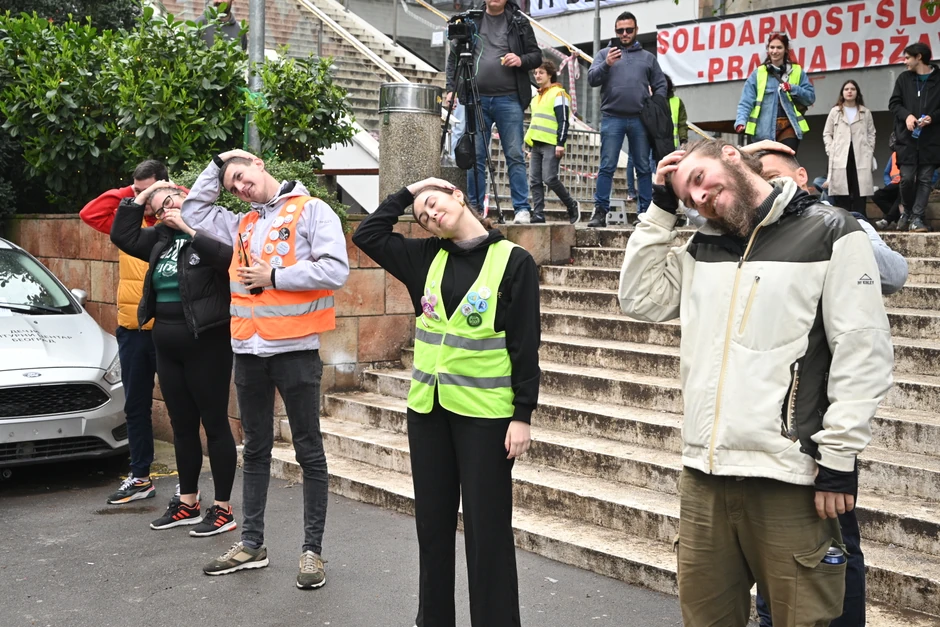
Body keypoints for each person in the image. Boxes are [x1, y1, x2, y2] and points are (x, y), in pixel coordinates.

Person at [620, 139, 894, 627]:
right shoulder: (701, 245)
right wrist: (660, 210)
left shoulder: (830, 230)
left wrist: (838, 459)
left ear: (730, 155)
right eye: (687, 197)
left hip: (790, 476)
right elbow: (640, 299)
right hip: (704, 475)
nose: (699, 198)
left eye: (699, 179)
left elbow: (863, 350)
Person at [352, 177, 539, 627]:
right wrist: (410, 191)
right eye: (423, 217)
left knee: (487, 533)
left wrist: (523, 415)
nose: (430, 215)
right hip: (428, 414)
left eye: (433, 203)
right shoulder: (425, 258)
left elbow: (524, 343)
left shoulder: (513, 261)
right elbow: (367, 235)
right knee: (432, 530)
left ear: (457, 195)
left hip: (486, 419)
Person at [182, 150, 349, 588]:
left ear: (258, 164)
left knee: (308, 450)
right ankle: (252, 544)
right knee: (254, 449)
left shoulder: (312, 210)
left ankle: (312, 553)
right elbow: (193, 212)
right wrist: (218, 164)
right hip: (248, 350)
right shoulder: (243, 222)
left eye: (241, 176)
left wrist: (274, 277)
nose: (240, 188)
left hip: (295, 351)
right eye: (232, 186)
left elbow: (335, 269)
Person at [110, 182, 238, 537]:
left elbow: (228, 260)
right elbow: (122, 235)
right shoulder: (160, 239)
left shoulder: (211, 230)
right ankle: (188, 502)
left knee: (214, 423)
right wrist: (142, 197)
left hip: (207, 342)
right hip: (166, 344)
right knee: (182, 425)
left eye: (169, 200)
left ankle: (223, 509)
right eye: (157, 209)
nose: (164, 210)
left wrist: (187, 226)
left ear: (186, 195)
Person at [79, 160, 166, 505]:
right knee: (135, 406)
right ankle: (141, 477)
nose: (143, 198)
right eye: (137, 190)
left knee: (183, 407)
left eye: (149, 190)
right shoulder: (126, 222)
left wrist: (164, 193)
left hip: (171, 329)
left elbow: (193, 198)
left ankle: (188, 484)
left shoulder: (176, 219)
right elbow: (89, 213)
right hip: (133, 329)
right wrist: (133, 193)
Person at [752, 142, 908, 295]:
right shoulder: (756, 233)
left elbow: (894, 276)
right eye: (758, 183)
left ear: (801, 176)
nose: (767, 187)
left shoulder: (847, 222)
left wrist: (834, 230)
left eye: (773, 177)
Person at [444, 0, 541, 224]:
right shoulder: (471, 19)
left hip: (510, 98)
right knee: (476, 155)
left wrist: (520, 59)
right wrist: (451, 88)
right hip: (476, 98)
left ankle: (521, 208)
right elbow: (454, 57)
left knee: (514, 154)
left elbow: (536, 56)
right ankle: (475, 209)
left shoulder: (518, 21)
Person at [587, 11, 666, 227]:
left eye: (628, 30)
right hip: (612, 117)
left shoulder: (648, 58)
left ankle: (645, 213)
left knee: (643, 167)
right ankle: (600, 212)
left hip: (640, 119)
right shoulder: (605, 54)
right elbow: (592, 79)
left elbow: (661, 84)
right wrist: (607, 64)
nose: (624, 34)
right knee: (607, 166)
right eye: (620, 30)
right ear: (615, 31)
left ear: (636, 30)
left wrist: (654, 105)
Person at [889, 41, 940, 233]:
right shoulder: (903, 79)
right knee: (907, 179)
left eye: (907, 58)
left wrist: (933, 118)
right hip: (907, 139)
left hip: (931, 139)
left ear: (919, 57)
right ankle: (908, 212)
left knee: (925, 179)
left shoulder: (938, 79)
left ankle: (917, 218)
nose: (905, 62)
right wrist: (907, 116)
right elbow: (894, 104)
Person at [735, 33, 815, 152]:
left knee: (786, 159)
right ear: (768, 49)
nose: (775, 51)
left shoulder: (797, 71)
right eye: (772, 47)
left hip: (789, 127)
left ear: (786, 50)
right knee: (765, 163)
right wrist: (741, 121)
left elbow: (810, 98)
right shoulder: (758, 73)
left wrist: (793, 88)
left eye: (779, 47)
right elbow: (746, 101)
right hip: (763, 131)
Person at [524, 60, 580, 225]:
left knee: (549, 178)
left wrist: (560, 143)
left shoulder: (558, 94)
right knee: (534, 180)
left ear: (550, 75)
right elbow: (536, 123)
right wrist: (530, 147)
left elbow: (564, 120)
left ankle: (571, 204)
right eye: (535, 73)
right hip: (536, 144)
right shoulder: (536, 97)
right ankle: (538, 214)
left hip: (551, 143)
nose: (537, 76)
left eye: (541, 72)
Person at [823, 80, 876, 217]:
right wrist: (831, 149)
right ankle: (844, 222)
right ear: (842, 93)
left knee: (860, 191)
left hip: (861, 154)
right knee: (842, 192)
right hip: (841, 154)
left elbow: (871, 133)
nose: (849, 91)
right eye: (846, 89)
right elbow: (827, 133)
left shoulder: (865, 112)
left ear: (857, 92)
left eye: (853, 89)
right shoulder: (835, 111)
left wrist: (869, 150)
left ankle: (861, 221)